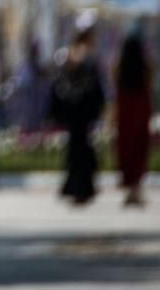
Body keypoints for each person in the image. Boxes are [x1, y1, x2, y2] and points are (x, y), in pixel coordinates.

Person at [49, 26, 105, 206]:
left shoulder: (71, 54)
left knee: (78, 147)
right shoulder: (81, 55)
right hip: (81, 109)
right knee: (80, 148)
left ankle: (79, 188)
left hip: (75, 110)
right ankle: (80, 188)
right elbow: (91, 84)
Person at [114, 32, 152, 208]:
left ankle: (130, 190)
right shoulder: (144, 72)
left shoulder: (121, 74)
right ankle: (136, 190)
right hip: (140, 119)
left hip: (125, 121)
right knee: (139, 152)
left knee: (127, 153)